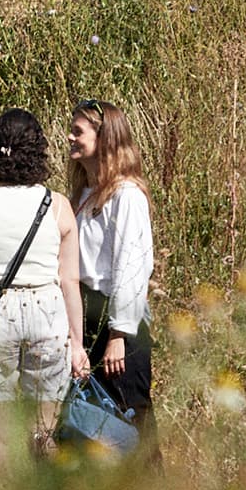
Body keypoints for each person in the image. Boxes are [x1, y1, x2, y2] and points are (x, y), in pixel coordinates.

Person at [0, 107, 89, 447]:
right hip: (48, 312)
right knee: (43, 429)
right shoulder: (56, 205)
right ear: (38, 150)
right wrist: (78, 345)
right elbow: (69, 281)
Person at [69, 100, 156, 423]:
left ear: (103, 138)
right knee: (91, 421)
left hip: (119, 321)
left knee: (129, 416)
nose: (70, 137)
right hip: (86, 317)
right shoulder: (81, 196)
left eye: (78, 131)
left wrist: (118, 335)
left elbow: (132, 267)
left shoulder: (126, 195)